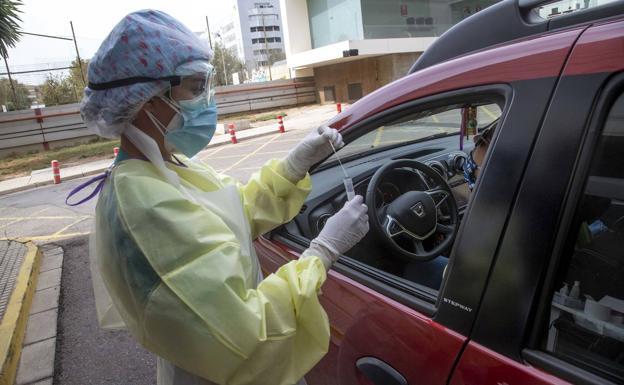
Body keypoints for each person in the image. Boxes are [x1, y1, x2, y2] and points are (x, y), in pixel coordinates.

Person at [79, 10, 369, 385]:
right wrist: (321, 254)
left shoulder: (166, 167)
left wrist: (294, 167)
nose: (207, 100)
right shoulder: (145, 205)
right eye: (196, 87)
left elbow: (232, 212)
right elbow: (247, 334)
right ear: (148, 100)